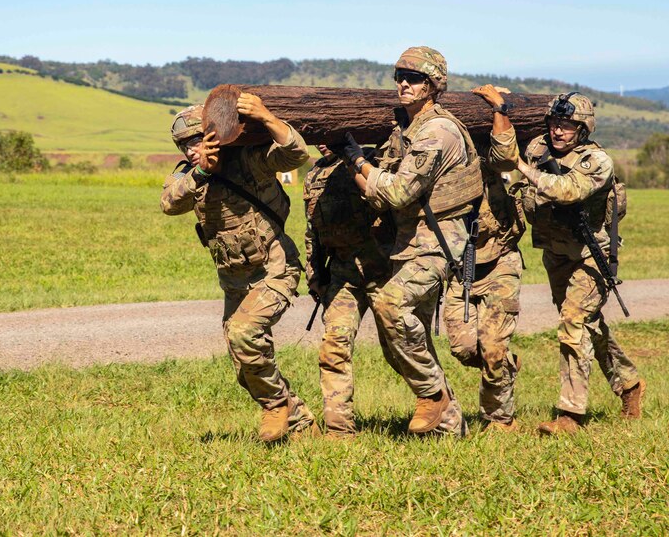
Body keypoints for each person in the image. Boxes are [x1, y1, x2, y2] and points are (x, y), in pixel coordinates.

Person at [338, 46, 477, 438]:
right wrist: (352, 162)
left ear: (433, 85)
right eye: (399, 76)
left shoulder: (437, 132)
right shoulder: (409, 130)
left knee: (390, 304)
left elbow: (397, 192)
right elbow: (381, 193)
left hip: (438, 242)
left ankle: (432, 395)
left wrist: (360, 162)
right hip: (410, 241)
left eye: (413, 78)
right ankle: (450, 426)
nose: (403, 83)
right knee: (399, 337)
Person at [160, 97, 318, 442]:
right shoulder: (191, 175)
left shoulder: (250, 162)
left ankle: (275, 404)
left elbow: (296, 154)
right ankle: (302, 423)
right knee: (244, 369)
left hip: (275, 270)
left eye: (197, 141)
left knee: (244, 334)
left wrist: (264, 116)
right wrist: (202, 171)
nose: (191, 150)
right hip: (234, 282)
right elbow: (170, 204)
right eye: (184, 145)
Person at [491, 91, 644, 435]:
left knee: (573, 323)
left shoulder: (596, 160)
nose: (559, 131)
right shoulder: (537, 149)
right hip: (556, 254)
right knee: (586, 325)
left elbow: (566, 190)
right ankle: (629, 384)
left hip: (592, 256)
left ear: (583, 128)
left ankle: (570, 416)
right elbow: (507, 169)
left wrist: (521, 167)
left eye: (568, 125)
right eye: (555, 123)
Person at [440, 84, 528, 432]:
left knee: (492, 347)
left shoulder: (488, 158)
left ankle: (500, 420)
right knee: (463, 349)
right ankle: (504, 366)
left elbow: (507, 157)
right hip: (460, 267)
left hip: (499, 260)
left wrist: (500, 109)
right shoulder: (441, 155)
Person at [303, 143, 395, 439]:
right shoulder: (313, 175)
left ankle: (441, 410)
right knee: (334, 347)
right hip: (342, 271)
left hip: (384, 268)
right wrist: (314, 271)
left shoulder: (371, 159)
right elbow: (313, 229)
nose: (322, 140)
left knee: (402, 348)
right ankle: (340, 432)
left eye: (330, 134)